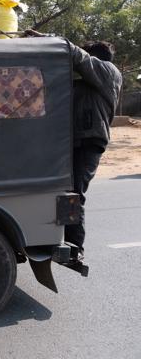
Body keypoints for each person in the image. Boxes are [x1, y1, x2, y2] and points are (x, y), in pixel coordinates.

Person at [66, 40, 123, 258]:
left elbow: (80, 57)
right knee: (65, 191)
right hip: (78, 139)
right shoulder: (91, 81)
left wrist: (50, 39)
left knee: (74, 193)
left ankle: (74, 246)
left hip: (90, 140)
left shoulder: (108, 71)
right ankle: (63, 238)